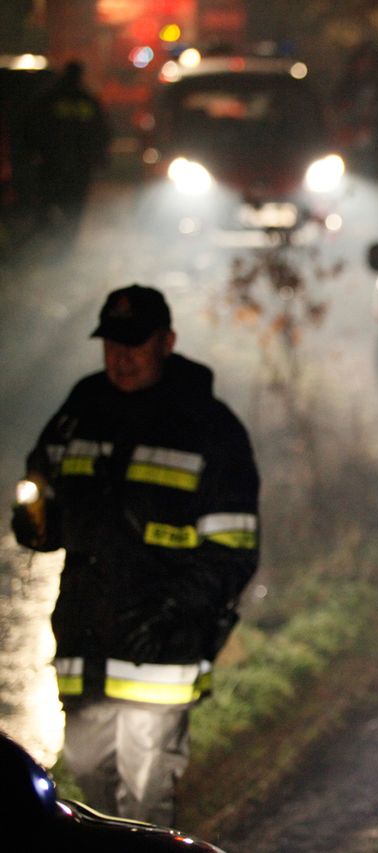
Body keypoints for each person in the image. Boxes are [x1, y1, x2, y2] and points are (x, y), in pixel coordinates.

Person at [11, 284, 259, 826]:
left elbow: (234, 549)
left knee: (145, 812)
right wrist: (33, 520)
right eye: (110, 343)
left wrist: (176, 614)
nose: (120, 357)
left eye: (135, 343)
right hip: (84, 651)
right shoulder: (81, 408)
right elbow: (42, 497)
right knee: (92, 813)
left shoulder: (209, 428)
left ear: (166, 342)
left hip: (161, 658)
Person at [25, 60, 110, 231]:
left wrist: (32, 153)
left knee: (48, 203)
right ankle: (64, 241)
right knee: (74, 209)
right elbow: (102, 132)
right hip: (79, 166)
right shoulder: (88, 100)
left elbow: (32, 128)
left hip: (52, 163)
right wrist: (100, 157)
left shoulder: (49, 99)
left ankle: (47, 236)